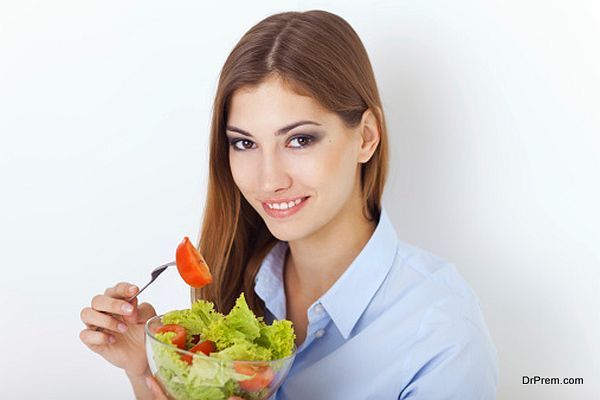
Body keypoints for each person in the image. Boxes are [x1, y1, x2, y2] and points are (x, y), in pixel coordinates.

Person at [80, 9, 499, 400]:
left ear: (366, 137)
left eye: (299, 140)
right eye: (244, 143)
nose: (268, 180)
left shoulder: (440, 333)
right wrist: (151, 370)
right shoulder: (231, 284)